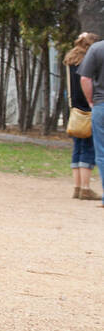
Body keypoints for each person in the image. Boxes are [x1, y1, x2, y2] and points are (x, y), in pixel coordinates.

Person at [64, 32, 98, 199]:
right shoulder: (88, 62)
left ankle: (77, 187)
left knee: (77, 149)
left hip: (75, 110)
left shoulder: (71, 61)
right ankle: (86, 188)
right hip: (87, 109)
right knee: (88, 149)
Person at [79, 32, 104, 209]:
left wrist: (91, 100)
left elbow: (85, 78)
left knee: (102, 153)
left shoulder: (97, 49)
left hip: (101, 105)